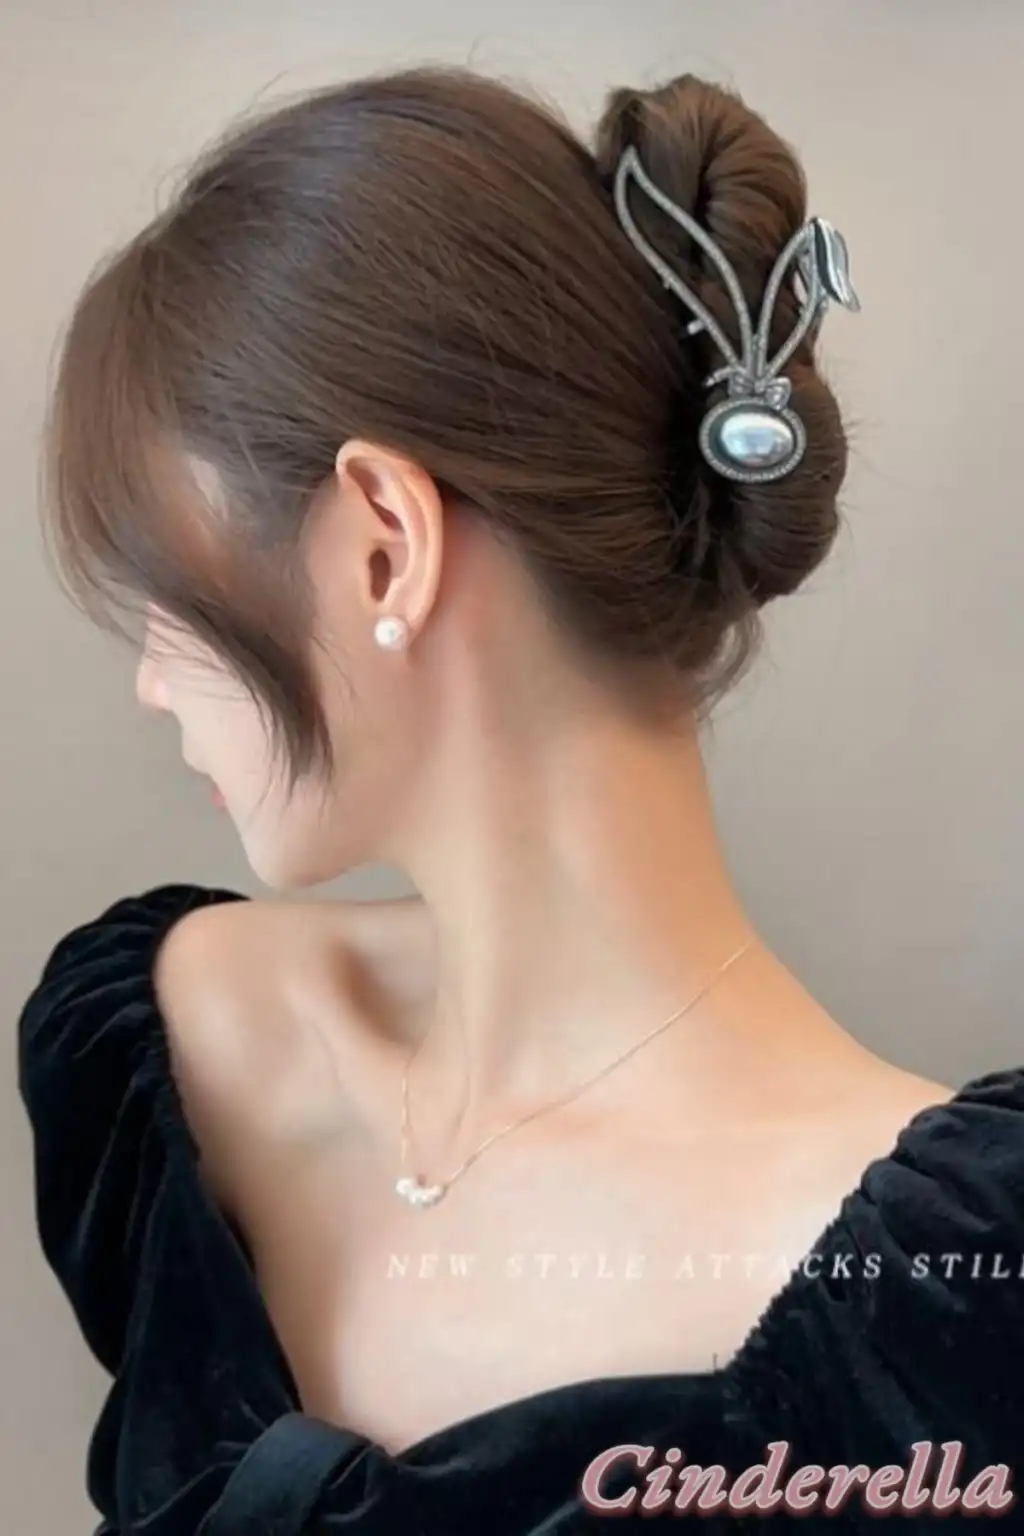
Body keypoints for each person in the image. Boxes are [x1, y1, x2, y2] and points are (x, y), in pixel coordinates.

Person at [17, 64, 1023, 1534]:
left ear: (383, 545)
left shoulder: (954, 1311)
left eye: (171, 599)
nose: (154, 685)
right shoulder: (176, 1063)